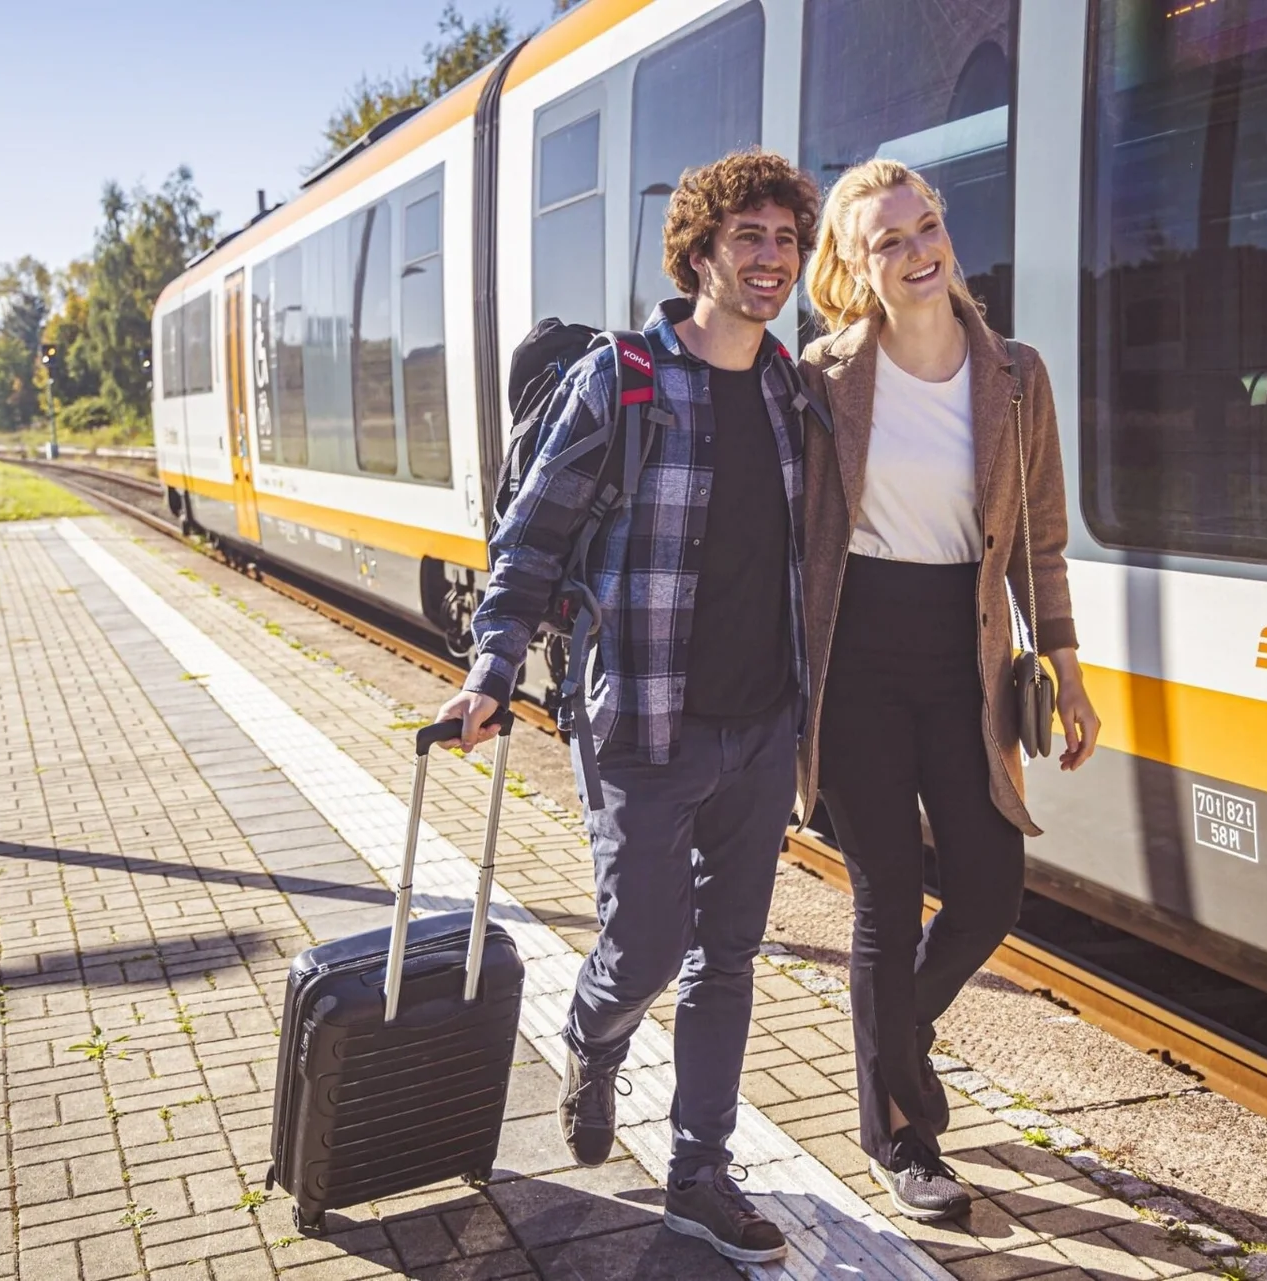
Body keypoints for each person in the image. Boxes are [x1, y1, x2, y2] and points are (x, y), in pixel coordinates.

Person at [436, 149, 822, 1264]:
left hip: (762, 729)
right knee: (647, 945)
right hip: (643, 725)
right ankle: (592, 1038)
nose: (770, 259)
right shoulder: (626, 379)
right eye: (748, 238)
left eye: (785, 241)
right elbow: (530, 542)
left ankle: (700, 1168)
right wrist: (491, 673)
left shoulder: (793, 391)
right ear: (699, 251)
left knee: (730, 957)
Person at [797, 159, 1101, 1221]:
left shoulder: (1015, 372)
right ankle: (903, 1133)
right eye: (888, 240)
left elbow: (1042, 541)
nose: (919, 251)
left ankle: (896, 1040)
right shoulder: (824, 378)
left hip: (962, 650)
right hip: (857, 655)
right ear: (852, 265)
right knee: (884, 895)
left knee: (988, 888)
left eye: (925, 227)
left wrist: (1066, 667)